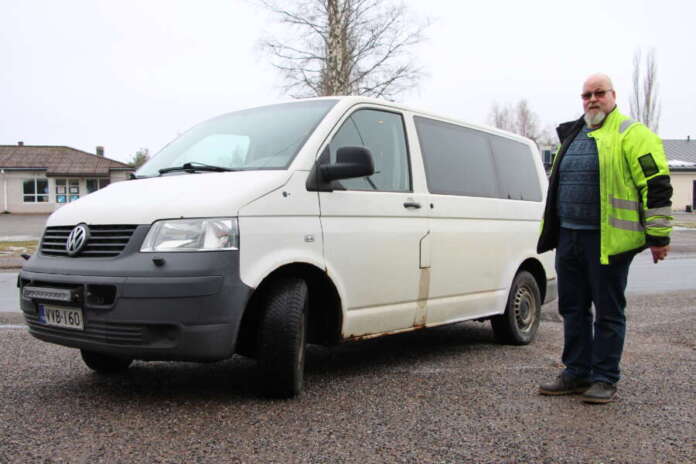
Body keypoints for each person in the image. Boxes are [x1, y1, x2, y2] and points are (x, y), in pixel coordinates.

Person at [537, 73, 673, 404]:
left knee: (608, 312)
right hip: (569, 236)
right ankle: (576, 372)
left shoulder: (632, 134)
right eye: (586, 95)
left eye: (599, 93)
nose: (592, 99)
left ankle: (604, 378)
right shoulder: (573, 134)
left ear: (613, 95)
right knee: (572, 308)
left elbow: (656, 184)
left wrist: (658, 236)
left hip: (608, 240)